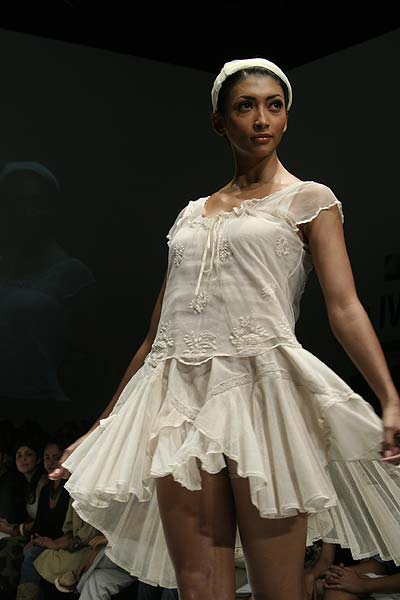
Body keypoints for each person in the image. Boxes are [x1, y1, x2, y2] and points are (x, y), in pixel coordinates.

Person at [50, 57, 400, 600]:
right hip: (177, 403)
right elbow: (157, 335)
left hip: (263, 397)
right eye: (245, 107)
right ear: (220, 121)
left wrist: (389, 396)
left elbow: (345, 306)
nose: (261, 119)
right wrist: (103, 424)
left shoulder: (309, 200)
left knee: (277, 588)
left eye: (274, 106)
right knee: (198, 587)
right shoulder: (190, 216)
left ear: (286, 117)